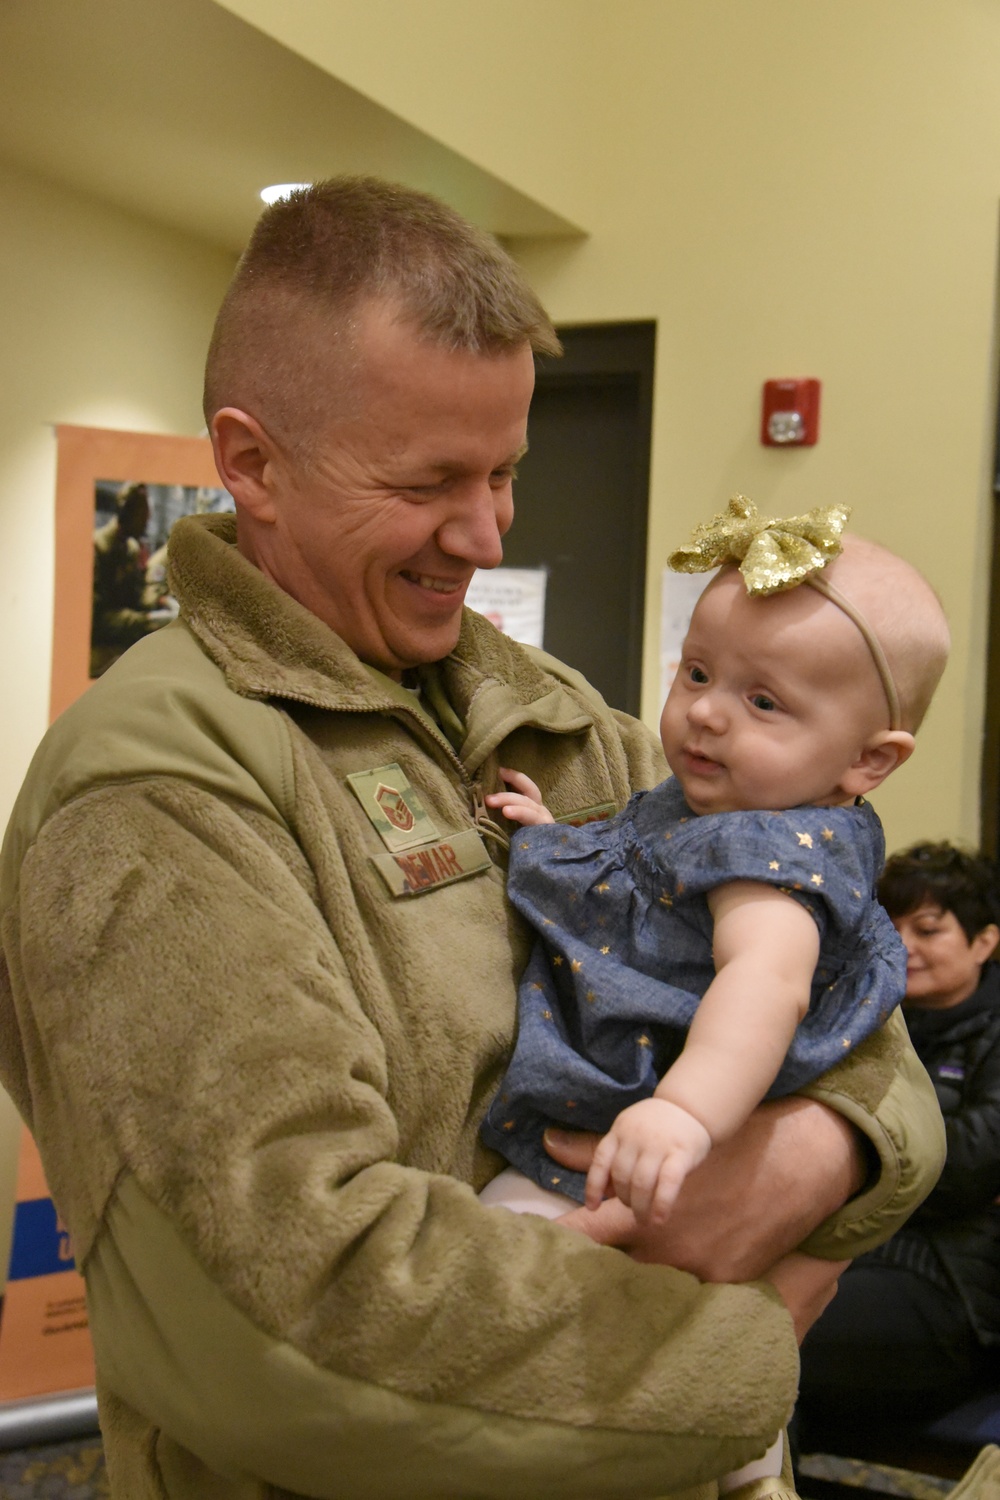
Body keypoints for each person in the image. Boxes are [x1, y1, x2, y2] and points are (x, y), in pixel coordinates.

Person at [0, 178, 946, 1500]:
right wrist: (743, 1343)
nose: (489, 532)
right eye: (430, 481)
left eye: (504, 470)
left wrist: (810, 1155)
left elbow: (868, 1023)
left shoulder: (571, 726)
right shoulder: (155, 788)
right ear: (253, 463)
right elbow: (300, 1310)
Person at [479, 505, 949, 1498]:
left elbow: (762, 983)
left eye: (765, 702)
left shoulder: (770, 864)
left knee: (512, 1271)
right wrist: (547, 833)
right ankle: (737, 1442)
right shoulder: (724, 803)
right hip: (651, 1140)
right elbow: (628, 862)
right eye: (697, 673)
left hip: (640, 1131)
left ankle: (729, 1432)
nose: (706, 713)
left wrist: (684, 1114)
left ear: (869, 761)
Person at [796, 840, 1000, 1454]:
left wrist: (841, 1146)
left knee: (767, 1340)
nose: (905, 944)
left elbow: (967, 1164)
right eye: (893, 924)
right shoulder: (862, 1018)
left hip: (952, 1286)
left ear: (985, 942)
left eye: (930, 928)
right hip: (846, 1252)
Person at [90, 481, 175, 676]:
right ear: (126, 512)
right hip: (102, 647)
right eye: (142, 516)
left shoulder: (131, 549)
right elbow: (97, 619)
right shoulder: (97, 548)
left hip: (127, 638)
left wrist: (160, 606)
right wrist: (147, 621)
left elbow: (138, 597)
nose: (146, 523)